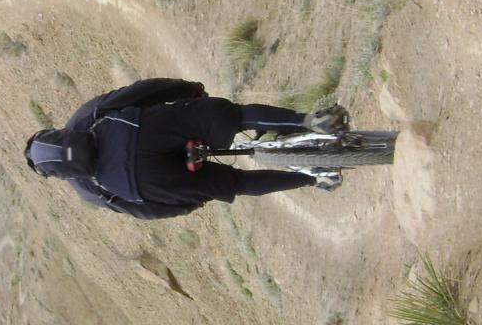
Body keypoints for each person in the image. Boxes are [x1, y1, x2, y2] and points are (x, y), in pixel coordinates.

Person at [23, 77, 348, 220]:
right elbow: (140, 92)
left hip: (148, 181)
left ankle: (315, 177)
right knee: (233, 117)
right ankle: (312, 121)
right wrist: (188, 90)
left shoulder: (88, 191)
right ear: (56, 134)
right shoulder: (84, 118)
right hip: (146, 132)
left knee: (233, 184)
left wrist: (188, 203)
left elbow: (142, 210)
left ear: (59, 173)